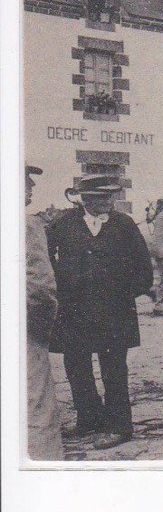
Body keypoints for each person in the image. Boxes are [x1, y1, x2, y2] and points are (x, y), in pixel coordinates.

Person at [47, 175, 153, 450]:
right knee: (77, 367)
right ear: (83, 198)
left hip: (113, 313)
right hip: (74, 313)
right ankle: (90, 418)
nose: (107, 202)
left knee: (114, 370)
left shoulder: (124, 224)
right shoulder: (63, 224)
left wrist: (122, 294)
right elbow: (47, 262)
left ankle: (119, 426)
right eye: (99, 197)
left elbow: (143, 268)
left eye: (110, 197)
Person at [25, 164, 64, 460]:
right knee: (37, 408)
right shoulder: (27, 225)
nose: (32, 187)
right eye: (26, 180)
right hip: (23, 331)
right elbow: (41, 289)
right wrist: (43, 332)